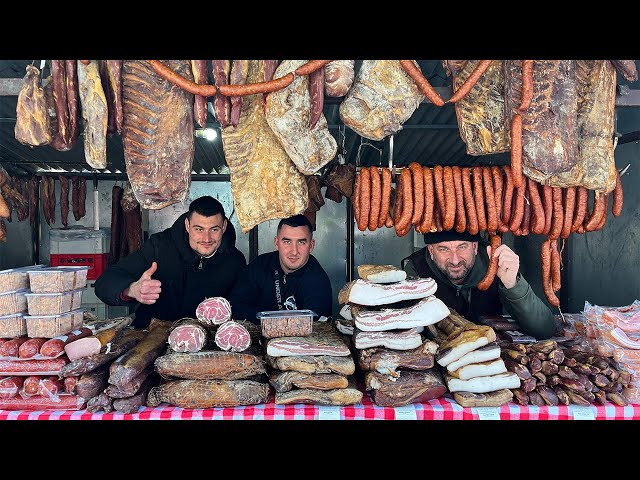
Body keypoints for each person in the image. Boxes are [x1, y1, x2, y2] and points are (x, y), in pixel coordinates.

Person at [95, 195, 246, 328]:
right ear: (187, 225)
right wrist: (131, 289)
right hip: (153, 336)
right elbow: (104, 283)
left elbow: (241, 306)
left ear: (224, 226)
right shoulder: (159, 247)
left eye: (214, 229)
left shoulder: (235, 261)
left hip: (206, 343)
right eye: (199, 229)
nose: (206, 239)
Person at [401, 230, 555, 339]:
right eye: (444, 249)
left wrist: (512, 284)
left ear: (474, 247)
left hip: (492, 358)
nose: (455, 259)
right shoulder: (415, 268)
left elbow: (544, 329)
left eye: (462, 247)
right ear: (431, 251)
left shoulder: (496, 263)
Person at [229, 214, 333, 323]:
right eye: (287, 242)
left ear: (311, 246)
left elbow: (311, 325)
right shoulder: (260, 265)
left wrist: (264, 316)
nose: (294, 251)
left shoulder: (319, 281)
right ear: (276, 243)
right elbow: (236, 306)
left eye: (301, 242)